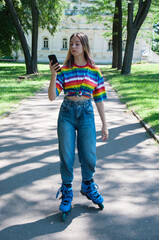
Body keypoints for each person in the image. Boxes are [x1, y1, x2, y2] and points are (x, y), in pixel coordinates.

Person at [48, 32, 109, 213]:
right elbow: (52, 96)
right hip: (66, 113)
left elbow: (99, 99)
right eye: (71, 44)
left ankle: (88, 186)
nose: (73, 47)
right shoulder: (64, 70)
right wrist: (52, 75)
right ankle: (67, 191)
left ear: (84, 46)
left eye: (77, 44)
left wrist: (105, 124)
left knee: (89, 156)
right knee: (66, 156)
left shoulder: (95, 71)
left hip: (87, 114)